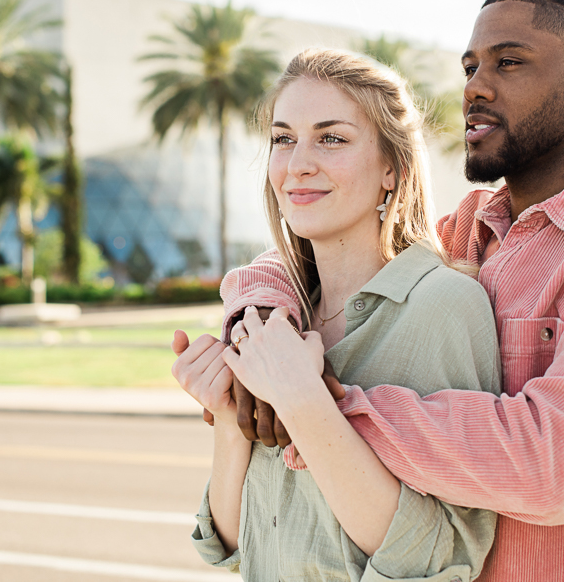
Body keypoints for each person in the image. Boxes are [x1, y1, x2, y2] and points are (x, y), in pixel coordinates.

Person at [218, 0, 564, 582]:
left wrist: (319, 405)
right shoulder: (466, 231)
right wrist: (261, 315)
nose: (475, 88)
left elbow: (557, 465)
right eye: (469, 67)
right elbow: (314, 249)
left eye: (508, 63)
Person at [171, 48, 502, 580]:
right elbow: (234, 545)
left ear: (391, 169)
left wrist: (304, 403)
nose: (298, 163)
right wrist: (232, 411)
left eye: (332, 138)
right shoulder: (274, 321)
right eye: (284, 138)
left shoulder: (443, 306)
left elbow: (441, 556)